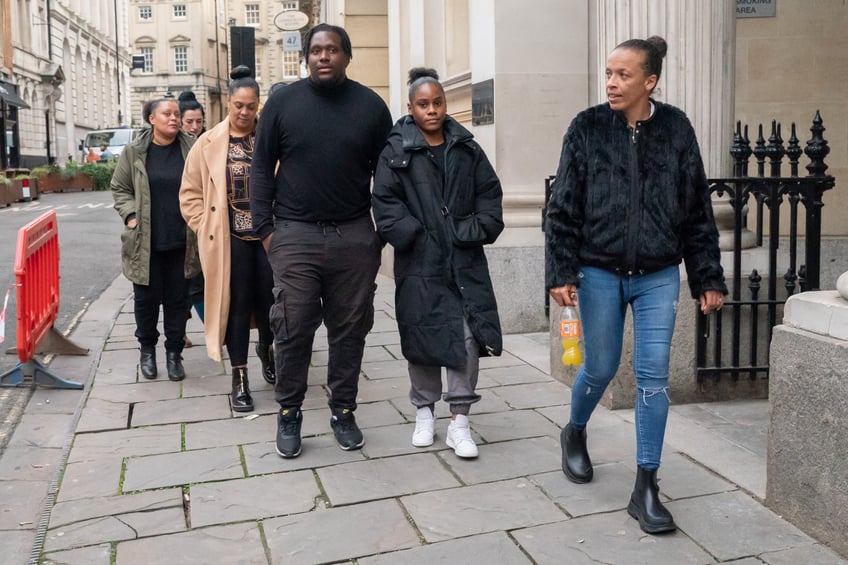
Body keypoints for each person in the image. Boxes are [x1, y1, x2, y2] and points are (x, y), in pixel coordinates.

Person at [546, 36, 727, 534]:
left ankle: (646, 484)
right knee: (600, 366)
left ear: (650, 81)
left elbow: (696, 209)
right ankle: (575, 431)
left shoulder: (676, 129)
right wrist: (560, 272)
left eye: (623, 75)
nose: (611, 82)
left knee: (652, 378)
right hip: (598, 271)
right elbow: (561, 207)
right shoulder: (586, 128)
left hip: (658, 274)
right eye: (608, 72)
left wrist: (707, 275)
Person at [251, 23, 392, 458]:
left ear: (347, 56)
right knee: (292, 328)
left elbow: (387, 173)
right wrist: (267, 231)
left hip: (353, 235)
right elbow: (260, 167)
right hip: (294, 234)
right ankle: (289, 413)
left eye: (332, 50)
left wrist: (378, 233)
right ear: (305, 57)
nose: (324, 56)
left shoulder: (370, 106)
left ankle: (343, 410)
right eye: (316, 50)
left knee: (351, 328)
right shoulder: (282, 104)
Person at [372, 68, 504, 459]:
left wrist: (469, 229)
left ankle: (460, 421)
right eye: (423, 104)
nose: (432, 110)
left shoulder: (467, 148)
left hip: (464, 263)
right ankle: (424, 411)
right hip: (420, 263)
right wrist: (415, 234)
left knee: (466, 339)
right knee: (422, 337)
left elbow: (490, 196)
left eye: (437, 102)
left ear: (446, 104)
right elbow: (385, 201)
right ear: (410, 108)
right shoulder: (395, 151)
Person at [180, 66, 276, 413]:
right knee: (235, 308)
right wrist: (204, 225)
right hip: (229, 240)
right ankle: (239, 378)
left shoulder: (269, 138)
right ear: (229, 104)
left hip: (268, 239)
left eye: (251, 106)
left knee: (270, 304)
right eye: (238, 105)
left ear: (258, 105)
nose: (244, 112)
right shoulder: (207, 143)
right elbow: (189, 193)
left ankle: (267, 348)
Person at [112, 95, 199, 382]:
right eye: (167, 114)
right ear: (151, 119)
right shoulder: (134, 151)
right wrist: (131, 216)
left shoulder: (192, 148)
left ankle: (174, 354)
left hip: (182, 241)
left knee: (178, 301)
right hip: (145, 242)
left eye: (176, 114)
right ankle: (147, 351)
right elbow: (120, 188)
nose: (174, 118)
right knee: (146, 302)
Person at [178, 90, 207, 347]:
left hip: (199, 225)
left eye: (199, 121)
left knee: (197, 280)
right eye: (190, 122)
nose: (195, 127)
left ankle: (212, 327)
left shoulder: (207, 144)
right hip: (175, 226)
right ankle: (178, 332)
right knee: (180, 285)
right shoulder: (175, 146)